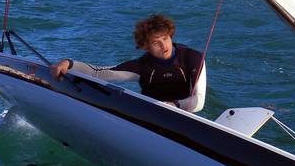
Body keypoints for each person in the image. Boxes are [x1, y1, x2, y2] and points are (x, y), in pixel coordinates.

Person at [50, 14, 206, 113]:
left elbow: (199, 101)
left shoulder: (192, 58)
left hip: (185, 116)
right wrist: (68, 64)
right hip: (151, 116)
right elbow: (99, 73)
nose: (163, 45)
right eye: (155, 42)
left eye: (165, 38)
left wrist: (175, 106)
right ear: (146, 46)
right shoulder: (142, 66)